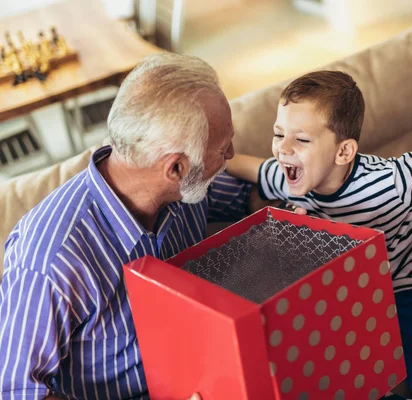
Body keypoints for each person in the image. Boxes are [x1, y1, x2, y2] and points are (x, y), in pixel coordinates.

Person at [226, 70, 412, 400]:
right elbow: (250, 167)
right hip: (350, 301)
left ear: (344, 152)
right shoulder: (288, 177)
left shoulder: (391, 181)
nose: (283, 149)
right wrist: (216, 155)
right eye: (278, 133)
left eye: (301, 139)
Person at [0, 53, 258, 399]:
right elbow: (16, 390)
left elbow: (249, 198)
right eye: (224, 148)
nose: (232, 155)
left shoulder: (186, 190)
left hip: (211, 371)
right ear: (176, 169)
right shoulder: (51, 261)